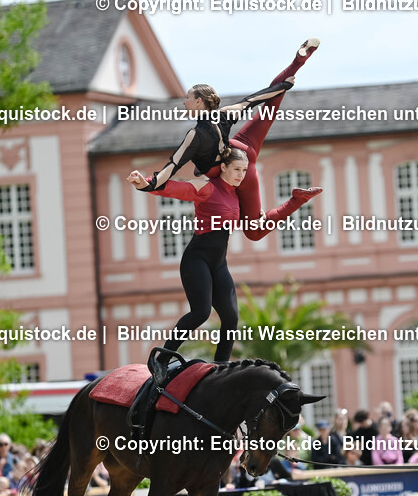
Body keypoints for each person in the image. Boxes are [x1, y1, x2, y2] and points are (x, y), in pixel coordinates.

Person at [131, 150, 321, 363]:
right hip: (197, 260)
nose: (241, 175)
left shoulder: (236, 197)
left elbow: (263, 222)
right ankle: (161, 360)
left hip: (219, 264)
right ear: (223, 167)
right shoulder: (207, 187)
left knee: (231, 318)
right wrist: (145, 183)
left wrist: (297, 201)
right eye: (236, 169)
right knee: (201, 312)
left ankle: (220, 366)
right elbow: (175, 188)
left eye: (244, 170)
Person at [138, 39, 320, 224]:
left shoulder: (196, 135)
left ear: (199, 101)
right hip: (241, 145)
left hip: (239, 165)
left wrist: (149, 184)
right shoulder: (224, 114)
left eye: (188, 98)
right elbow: (253, 99)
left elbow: (172, 165)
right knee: (268, 110)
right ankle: (298, 61)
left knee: (254, 231)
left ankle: (298, 199)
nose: (184, 102)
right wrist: (283, 87)